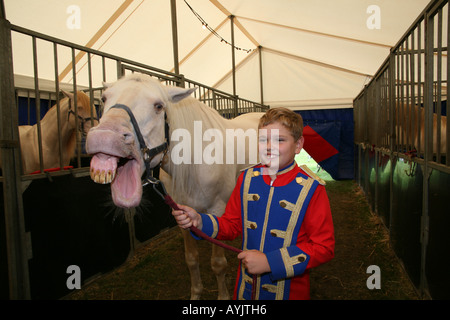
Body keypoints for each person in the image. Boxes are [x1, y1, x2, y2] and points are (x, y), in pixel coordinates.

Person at [172, 107, 335, 300]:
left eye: (279, 140)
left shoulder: (311, 188)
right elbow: (232, 225)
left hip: (290, 293)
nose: (269, 147)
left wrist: (270, 262)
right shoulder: (247, 178)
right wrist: (200, 221)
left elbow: (324, 247)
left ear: (298, 144)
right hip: (246, 291)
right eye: (263, 139)